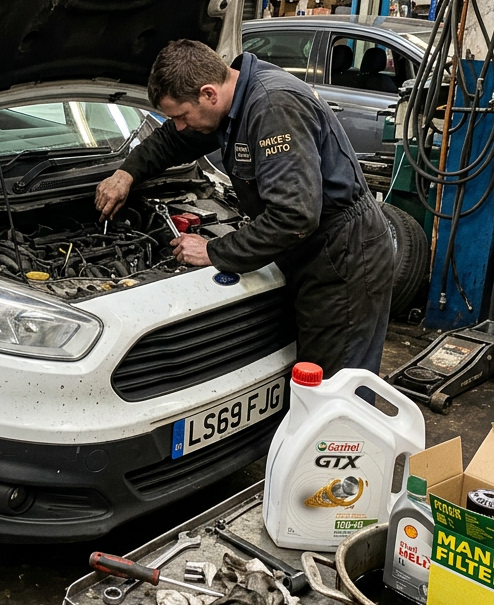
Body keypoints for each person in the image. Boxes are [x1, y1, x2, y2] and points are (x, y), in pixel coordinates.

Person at [95, 39, 395, 376]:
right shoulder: (233, 99)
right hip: (313, 250)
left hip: (343, 257)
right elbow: (175, 139)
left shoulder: (271, 107)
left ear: (208, 93)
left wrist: (215, 250)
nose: (179, 124)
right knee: (308, 376)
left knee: (331, 387)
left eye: (181, 115)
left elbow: (294, 216)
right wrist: (126, 172)